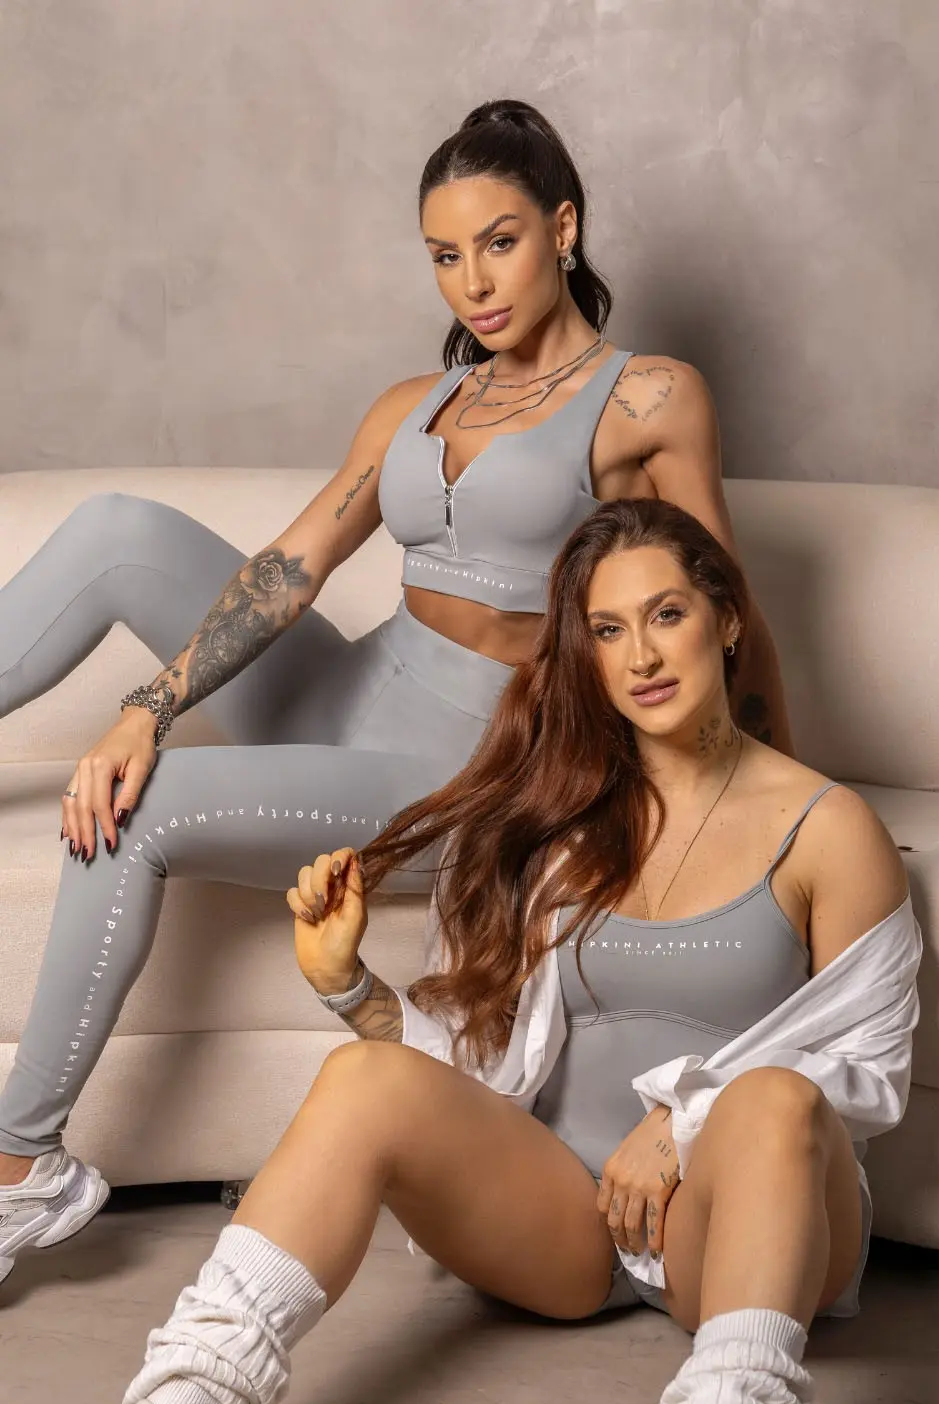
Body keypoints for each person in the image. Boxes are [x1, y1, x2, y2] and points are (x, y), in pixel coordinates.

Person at [0, 99, 791, 1282]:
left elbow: (725, 609)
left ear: (562, 228)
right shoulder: (415, 403)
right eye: (443, 254)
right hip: (352, 687)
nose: (473, 281)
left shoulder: (646, 400)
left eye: (499, 242)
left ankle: (21, 1165)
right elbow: (292, 567)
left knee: (136, 808)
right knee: (118, 528)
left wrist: (783, 809)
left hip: (465, 763)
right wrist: (146, 706)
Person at [101, 499, 920, 1404]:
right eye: (607, 630)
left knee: (777, 1098)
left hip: (733, 1233)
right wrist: (348, 986)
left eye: (666, 615)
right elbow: (484, 1066)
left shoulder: (828, 828)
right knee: (361, 1077)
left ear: (728, 619)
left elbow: (866, 1068)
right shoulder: (554, 820)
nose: (641, 657)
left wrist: (684, 1123)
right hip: (566, 1219)